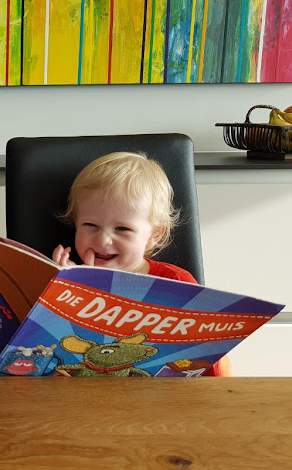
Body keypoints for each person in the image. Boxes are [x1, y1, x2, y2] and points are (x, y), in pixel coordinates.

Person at [51, 151, 231, 376]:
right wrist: (61, 287)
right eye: (90, 225)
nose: (103, 239)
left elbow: (211, 357)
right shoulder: (69, 278)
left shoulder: (176, 282)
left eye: (122, 229)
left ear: (154, 236)